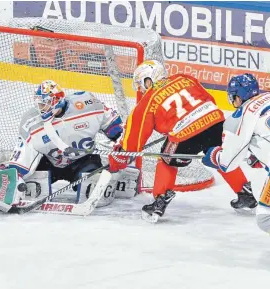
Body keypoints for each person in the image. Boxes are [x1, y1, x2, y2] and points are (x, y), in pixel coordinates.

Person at [108, 60, 254, 222]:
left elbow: (132, 144)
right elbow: (208, 99)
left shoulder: (147, 100)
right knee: (220, 156)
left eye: (141, 84)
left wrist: (116, 161)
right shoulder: (184, 78)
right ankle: (245, 193)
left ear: (148, 80)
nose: (141, 89)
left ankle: (159, 201)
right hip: (215, 121)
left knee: (166, 159)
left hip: (185, 134)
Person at [202, 73, 270, 274]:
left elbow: (228, 163)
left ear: (238, 96)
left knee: (266, 217)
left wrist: (212, 155)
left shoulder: (239, 116)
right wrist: (261, 154)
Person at [7, 80, 123, 199]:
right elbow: (24, 150)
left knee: (92, 190)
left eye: (44, 104)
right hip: (49, 162)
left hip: (84, 160)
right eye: (39, 104)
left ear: (57, 100)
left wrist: (120, 139)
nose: (40, 108)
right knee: (31, 191)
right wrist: (15, 175)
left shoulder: (87, 104)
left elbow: (111, 121)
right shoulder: (31, 120)